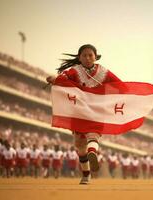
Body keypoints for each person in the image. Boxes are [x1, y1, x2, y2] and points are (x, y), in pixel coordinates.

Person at [46, 44, 121, 184]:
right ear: (79, 58)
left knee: (93, 135)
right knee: (80, 145)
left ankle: (91, 158)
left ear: (95, 57)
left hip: (97, 110)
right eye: (84, 55)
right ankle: (88, 168)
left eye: (90, 55)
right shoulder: (74, 71)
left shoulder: (104, 72)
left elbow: (119, 85)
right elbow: (63, 77)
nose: (87, 58)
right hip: (79, 111)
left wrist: (110, 95)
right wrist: (54, 78)